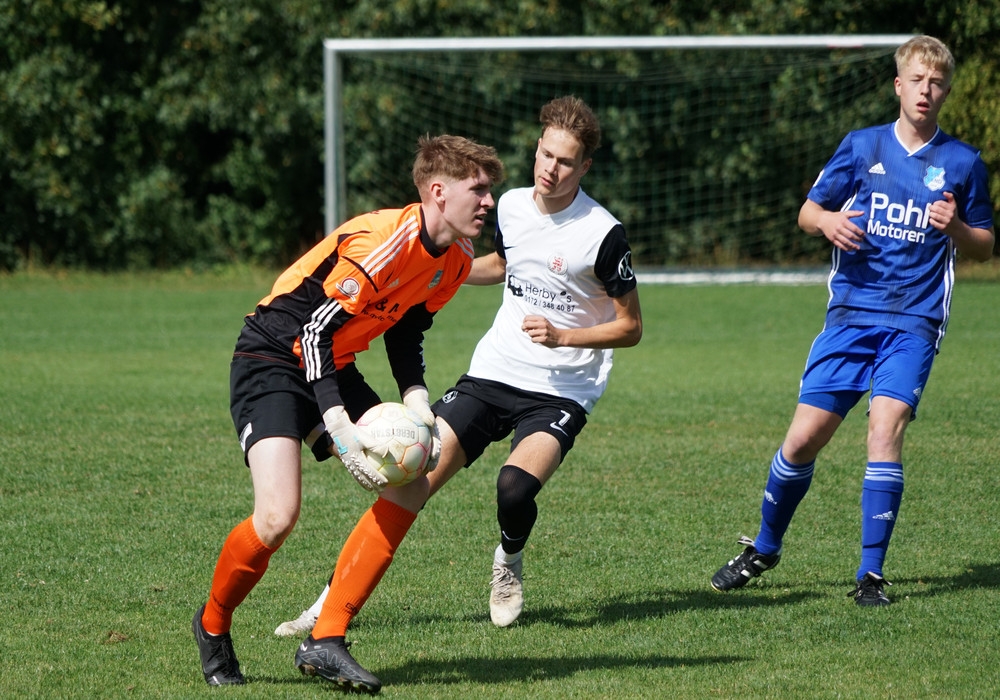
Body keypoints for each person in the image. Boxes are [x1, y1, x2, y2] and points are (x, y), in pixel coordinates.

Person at [281, 95, 642, 693]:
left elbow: (630, 327)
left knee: (514, 488)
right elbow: (505, 263)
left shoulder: (602, 234)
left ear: (585, 167)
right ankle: (328, 606)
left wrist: (565, 336)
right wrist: (430, 268)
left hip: (563, 387)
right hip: (493, 372)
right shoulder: (511, 206)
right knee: (410, 479)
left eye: (565, 162)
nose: (550, 169)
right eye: (545, 154)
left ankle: (509, 559)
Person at [191, 134, 505, 686]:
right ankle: (213, 624)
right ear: (438, 191)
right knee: (277, 517)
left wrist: (417, 401)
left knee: (410, 486)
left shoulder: (455, 259)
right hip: (271, 356)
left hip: (329, 362)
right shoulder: (384, 242)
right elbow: (312, 334)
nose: (488, 201)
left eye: (490, 190)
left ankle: (326, 639)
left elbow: (406, 331)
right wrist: (338, 425)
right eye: (477, 189)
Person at [710, 35, 994, 607]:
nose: (926, 91)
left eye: (937, 83)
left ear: (946, 92)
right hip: (850, 318)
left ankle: (870, 575)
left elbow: (985, 245)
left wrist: (959, 229)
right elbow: (807, 211)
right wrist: (827, 223)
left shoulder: (963, 163)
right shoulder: (862, 146)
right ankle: (764, 547)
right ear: (898, 85)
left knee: (885, 428)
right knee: (802, 440)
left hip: (914, 321)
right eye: (917, 81)